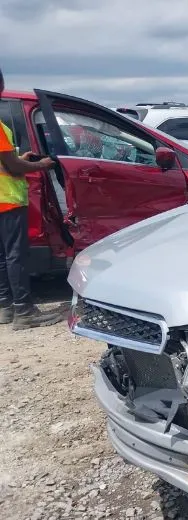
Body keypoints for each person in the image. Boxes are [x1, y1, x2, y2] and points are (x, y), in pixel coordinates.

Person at [0, 68, 64, 329]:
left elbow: (7, 162)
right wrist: (43, 165)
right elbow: (12, 168)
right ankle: (24, 312)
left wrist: (18, 160)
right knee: (16, 255)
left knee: (2, 258)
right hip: (7, 199)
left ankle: (5, 308)